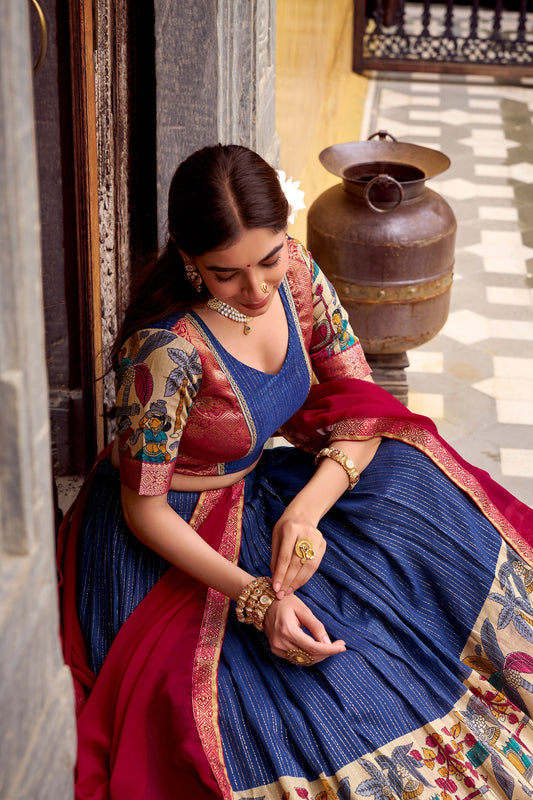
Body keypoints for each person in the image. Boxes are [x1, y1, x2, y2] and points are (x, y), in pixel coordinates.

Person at [58, 143, 533, 800]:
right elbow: (144, 509)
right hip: (170, 533)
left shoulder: (299, 277)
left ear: (286, 235)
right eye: (225, 275)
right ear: (190, 261)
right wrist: (259, 600)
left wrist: (305, 510)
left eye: (268, 258)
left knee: (410, 479)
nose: (255, 290)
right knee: (301, 697)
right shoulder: (166, 352)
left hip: (261, 490)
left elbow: (357, 397)